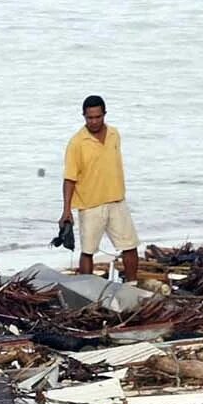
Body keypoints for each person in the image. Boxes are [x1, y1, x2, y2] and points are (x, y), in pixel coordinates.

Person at [59, 95, 138, 282]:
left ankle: (132, 286)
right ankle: (87, 289)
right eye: (89, 118)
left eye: (97, 117)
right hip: (90, 205)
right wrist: (66, 210)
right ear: (84, 116)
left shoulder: (114, 134)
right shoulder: (77, 143)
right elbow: (69, 178)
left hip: (116, 200)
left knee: (130, 246)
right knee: (88, 251)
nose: (93, 121)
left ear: (104, 114)